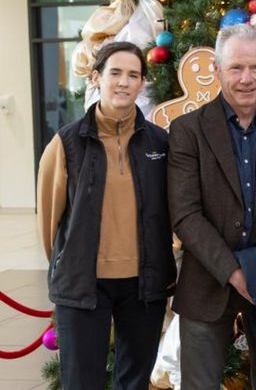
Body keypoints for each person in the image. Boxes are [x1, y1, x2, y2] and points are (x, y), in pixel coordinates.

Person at [168, 24, 256, 390]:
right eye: (235, 68)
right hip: (206, 282)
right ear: (216, 69)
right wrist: (234, 271)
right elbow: (185, 214)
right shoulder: (188, 131)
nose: (246, 79)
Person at [36, 41, 175, 389]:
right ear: (97, 77)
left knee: (134, 381)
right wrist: (67, 263)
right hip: (84, 283)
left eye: (133, 75)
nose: (124, 82)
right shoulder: (67, 143)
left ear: (142, 83)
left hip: (144, 286)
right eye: (115, 73)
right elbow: (49, 220)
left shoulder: (160, 143)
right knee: (82, 382)